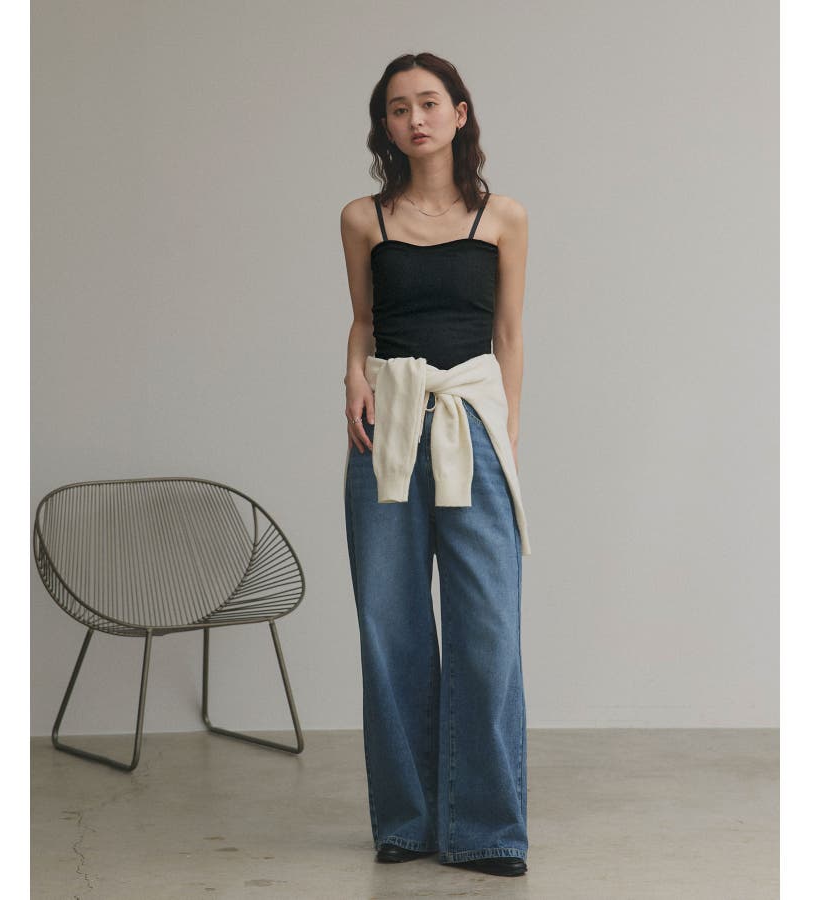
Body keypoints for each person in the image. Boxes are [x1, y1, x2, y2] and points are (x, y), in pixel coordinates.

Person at [340, 52, 531, 878]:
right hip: (385, 429)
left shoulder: (503, 218)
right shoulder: (364, 219)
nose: (413, 119)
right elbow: (363, 321)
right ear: (384, 127)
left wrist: (504, 434)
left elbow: (509, 335)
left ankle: (486, 830)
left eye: (427, 103)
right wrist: (352, 377)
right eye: (396, 108)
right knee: (391, 629)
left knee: (488, 631)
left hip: (471, 426)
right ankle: (408, 824)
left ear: (459, 113)